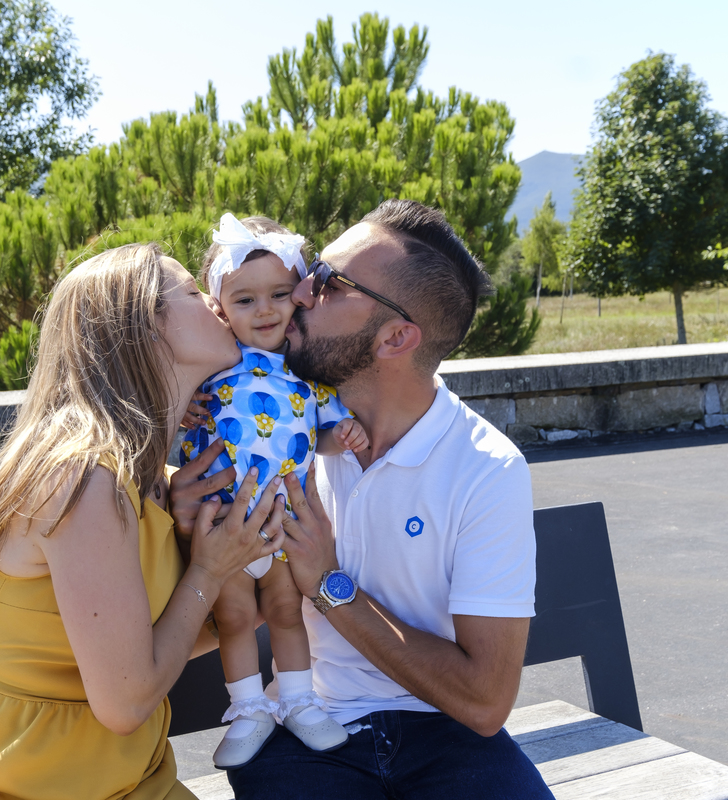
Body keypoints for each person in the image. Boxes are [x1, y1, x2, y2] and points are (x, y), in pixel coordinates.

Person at [170, 200, 556, 798]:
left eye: (328, 283)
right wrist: (183, 517)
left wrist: (328, 583)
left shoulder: (486, 469)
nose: (298, 291)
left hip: (446, 733)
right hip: (304, 731)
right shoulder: (270, 434)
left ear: (397, 336)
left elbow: (483, 705)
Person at [0, 243, 288, 800]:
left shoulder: (159, 480)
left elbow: (162, 638)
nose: (221, 306)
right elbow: (124, 702)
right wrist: (207, 572)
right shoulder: (84, 479)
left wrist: (222, 559)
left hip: (124, 774)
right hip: (22, 780)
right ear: (146, 331)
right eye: (195, 294)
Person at [180, 214, 366, 768]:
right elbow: (172, 419)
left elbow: (321, 436)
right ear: (218, 308)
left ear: (299, 296)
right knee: (234, 617)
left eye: (280, 294)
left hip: (283, 521)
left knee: (288, 610)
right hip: (226, 528)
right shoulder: (210, 367)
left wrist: (341, 435)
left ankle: (299, 702)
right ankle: (248, 708)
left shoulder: (309, 374)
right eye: (245, 301)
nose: (264, 311)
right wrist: (179, 409)